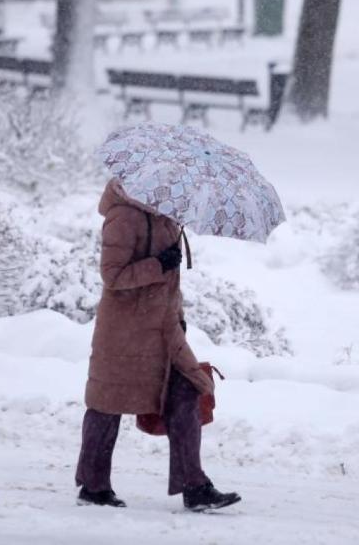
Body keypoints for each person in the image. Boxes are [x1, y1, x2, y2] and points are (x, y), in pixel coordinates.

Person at [75, 178, 241, 512]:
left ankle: (194, 486)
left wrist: (177, 313)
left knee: (189, 392)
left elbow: (169, 280)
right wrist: (158, 264)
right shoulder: (123, 217)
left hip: (165, 330)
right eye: (166, 187)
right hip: (125, 332)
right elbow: (113, 276)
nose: (173, 191)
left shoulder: (166, 218)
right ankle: (93, 486)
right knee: (107, 405)